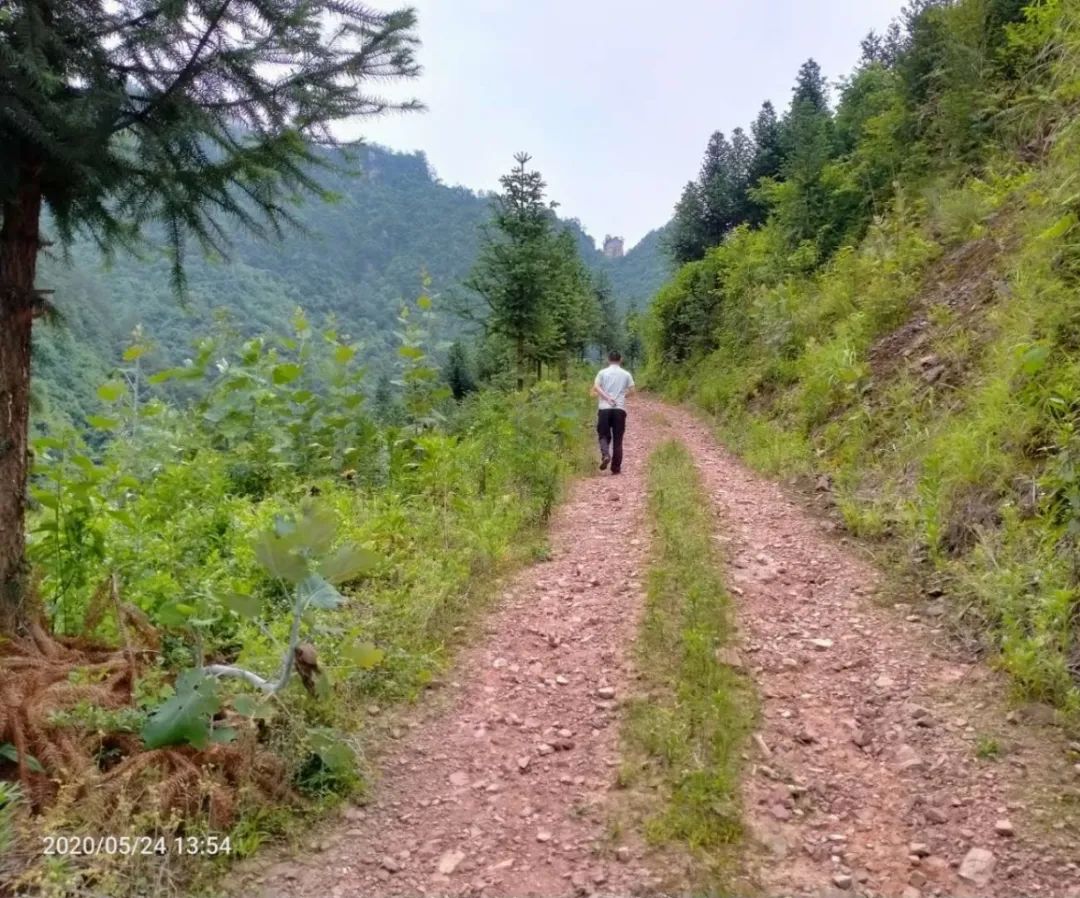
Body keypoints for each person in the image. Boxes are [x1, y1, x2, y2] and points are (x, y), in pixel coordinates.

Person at [590, 351, 635, 475]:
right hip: (619, 409)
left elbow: (596, 387)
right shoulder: (626, 374)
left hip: (604, 409)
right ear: (621, 359)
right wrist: (622, 396)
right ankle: (615, 468)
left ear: (608, 359)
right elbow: (632, 390)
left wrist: (606, 397)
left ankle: (605, 454)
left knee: (603, 435)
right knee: (618, 439)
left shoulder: (602, 373)